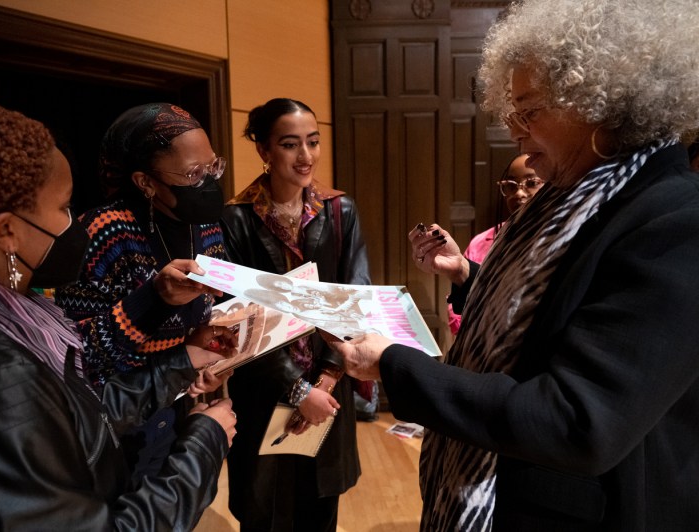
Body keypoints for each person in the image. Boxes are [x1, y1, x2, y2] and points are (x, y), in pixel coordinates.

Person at [329, 1, 699, 530]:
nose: (513, 129)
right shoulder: (573, 197)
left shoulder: (679, 221)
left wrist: (393, 365)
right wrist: (467, 277)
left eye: (529, 110)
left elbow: (578, 422)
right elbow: (556, 313)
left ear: (601, 103)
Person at [0, 101, 237, 529]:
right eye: (64, 208)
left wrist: (182, 363)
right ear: (7, 231)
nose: (74, 223)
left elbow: (82, 415)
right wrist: (203, 445)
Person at [55, 102, 237, 485]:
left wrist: (207, 362)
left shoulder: (208, 229)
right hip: (116, 426)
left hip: (182, 405)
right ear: (146, 182)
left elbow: (205, 317)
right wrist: (152, 300)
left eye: (213, 167)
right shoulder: (102, 234)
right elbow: (78, 353)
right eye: (193, 173)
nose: (208, 182)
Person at [220, 98, 371, 531]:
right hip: (265, 384)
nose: (305, 156)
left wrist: (324, 377)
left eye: (313, 142)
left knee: (318, 505)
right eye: (290, 144)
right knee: (264, 507)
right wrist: (296, 387)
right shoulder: (236, 219)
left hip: (329, 384)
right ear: (264, 151)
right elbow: (241, 318)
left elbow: (354, 295)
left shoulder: (341, 210)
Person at [444, 153, 543, 334]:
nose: (519, 193)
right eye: (511, 186)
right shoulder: (482, 241)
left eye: (532, 183)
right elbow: (458, 299)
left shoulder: (558, 240)